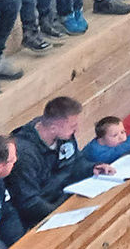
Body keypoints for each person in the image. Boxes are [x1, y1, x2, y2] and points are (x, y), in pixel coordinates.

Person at [9, 95, 111, 226]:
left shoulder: (64, 136)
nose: (76, 130)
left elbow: (75, 162)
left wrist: (92, 168)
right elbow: (29, 202)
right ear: (53, 128)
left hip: (66, 200)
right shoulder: (24, 154)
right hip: (43, 215)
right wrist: (61, 214)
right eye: (72, 126)